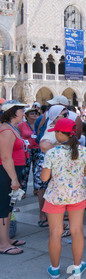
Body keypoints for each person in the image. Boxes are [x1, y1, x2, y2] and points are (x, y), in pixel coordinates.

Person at [40, 118, 86, 278]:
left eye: (55, 132)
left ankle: (54, 269)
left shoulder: (52, 153)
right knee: (77, 231)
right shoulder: (84, 151)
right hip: (77, 196)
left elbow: (44, 178)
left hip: (55, 196)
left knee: (55, 233)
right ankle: (77, 267)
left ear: (59, 133)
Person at [0, 101, 28, 255]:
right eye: (21, 110)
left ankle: (6, 239)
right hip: (6, 173)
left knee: (8, 206)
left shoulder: (12, 128)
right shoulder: (6, 130)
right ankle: (3, 244)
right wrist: (14, 179)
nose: (23, 113)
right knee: (3, 207)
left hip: (11, 172)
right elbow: (5, 157)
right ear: (12, 112)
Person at [35, 105, 68, 228]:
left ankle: (51, 218)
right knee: (47, 191)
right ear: (55, 117)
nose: (67, 116)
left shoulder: (58, 127)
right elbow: (44, 145)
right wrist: (63, 149)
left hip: (54, 164)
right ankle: (47, 218)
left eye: (67, 114)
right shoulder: (52, 128)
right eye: (64, 115)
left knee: (50, 191)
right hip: (48, 164)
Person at [18, 107, 40, 197]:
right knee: (25, 171)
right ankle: (23, 190)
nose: (34, 115)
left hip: (37, 148)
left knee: (37, 170)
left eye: (35, 113)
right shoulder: (21, 125)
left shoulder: (38, 124)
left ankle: (37, 189)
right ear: (26, 116)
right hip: (27, 149)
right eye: (32, 113)